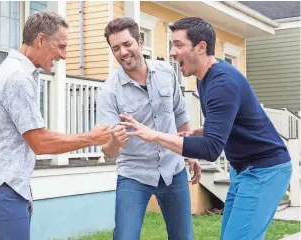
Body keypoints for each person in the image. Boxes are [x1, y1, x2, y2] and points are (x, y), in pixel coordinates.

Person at [120, 17, 292, 240]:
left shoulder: (222, 83)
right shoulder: (204, 78)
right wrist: (201, 131)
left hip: (265, 170)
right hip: (243, 170)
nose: (172, 52)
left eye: (179, 45)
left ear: (201, 47)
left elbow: (210, 149)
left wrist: (154, 135)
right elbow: (229, 122)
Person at [0, 11, 112, 240]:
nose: (64, 55)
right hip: (2, 189)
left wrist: (24, 193)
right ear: (41, 40)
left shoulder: (19, 71)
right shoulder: (17, 77)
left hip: (8, 188)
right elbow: (40, 142)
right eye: (61, 47)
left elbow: (23, 142)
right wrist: (92, 138)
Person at [96, 17, 201, 240]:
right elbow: (108, 151)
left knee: (184, 237)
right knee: (125, 237)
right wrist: (115, 141)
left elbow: (180, 114)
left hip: (173, 170)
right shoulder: (109, 92)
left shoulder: (166, 73)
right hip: (134, 174)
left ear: (140, 42)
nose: (123, 52)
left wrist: (191, 152)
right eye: (116, 48)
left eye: (127, 44)